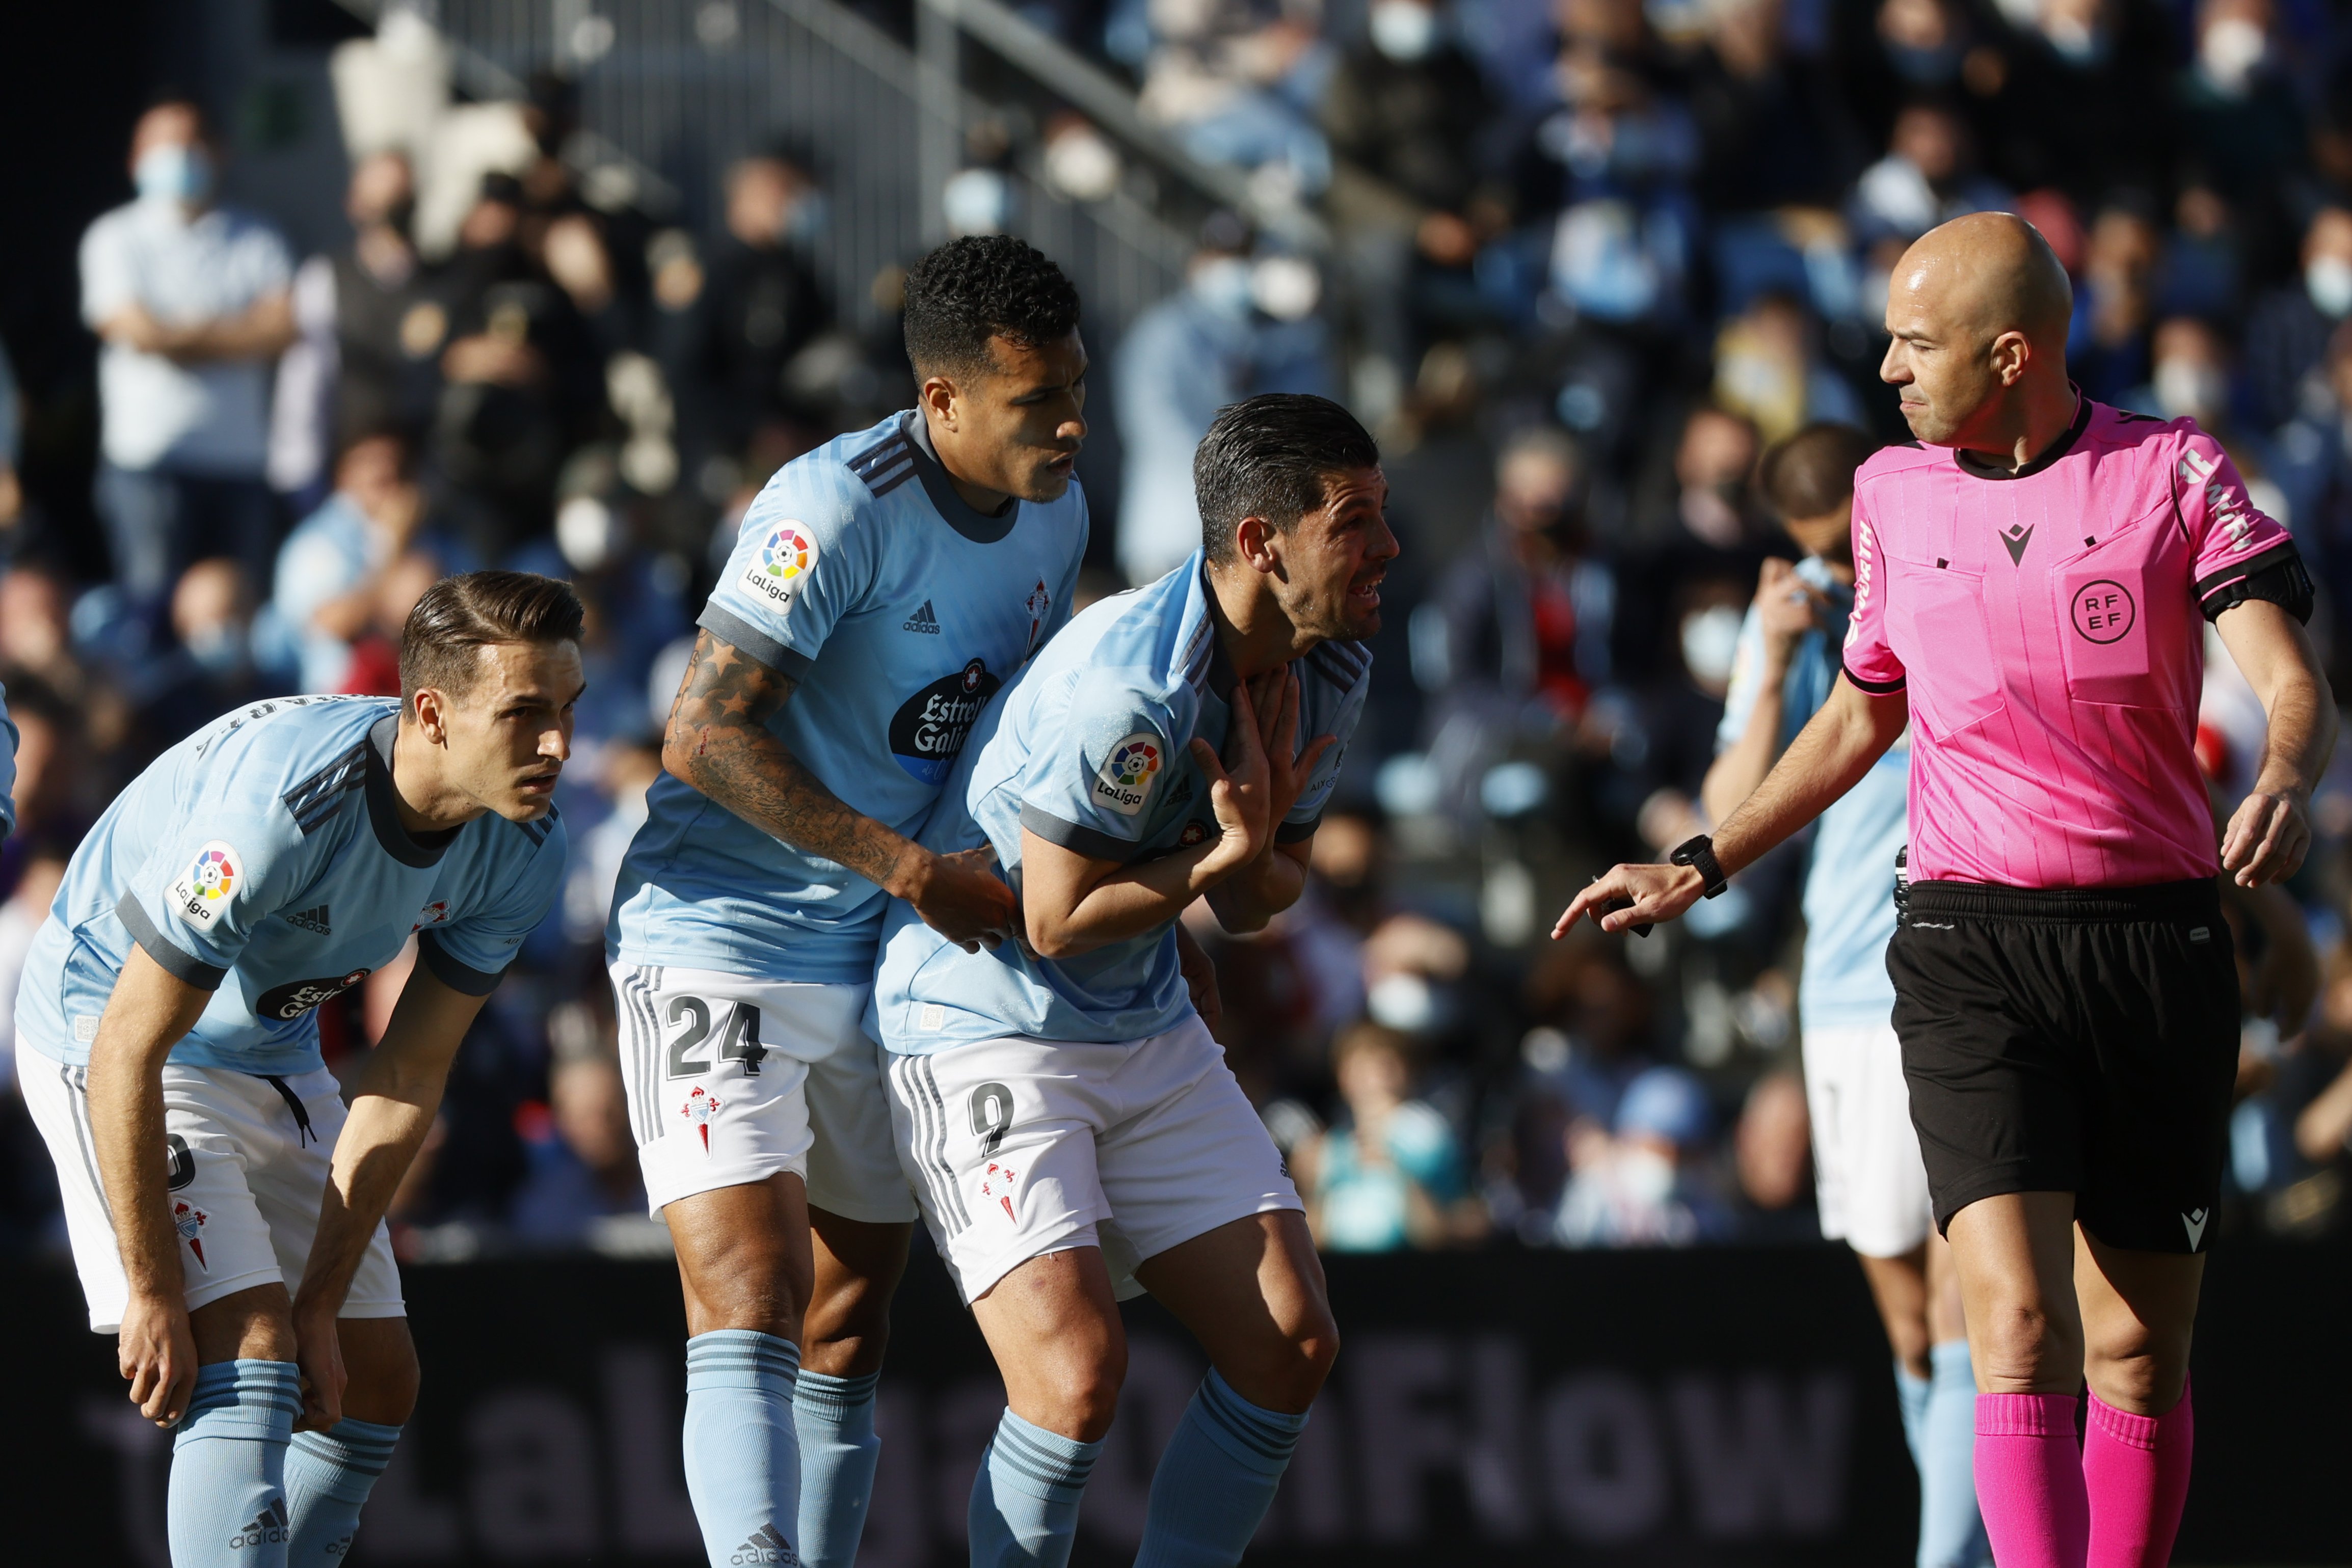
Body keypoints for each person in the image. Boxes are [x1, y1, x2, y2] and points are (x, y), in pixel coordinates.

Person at [1559, 212, 2334, 1568]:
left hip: (2155, 944)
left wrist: (2284, 767)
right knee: (2015, 1325)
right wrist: (1704, 858)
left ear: (2013, 350)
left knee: (2138, 1346)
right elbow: (1862, 715)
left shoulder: (2171, 469)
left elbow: (2287, 673)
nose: (1888, 370)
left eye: (1916, 342)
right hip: (1971, 943)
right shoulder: (1888, 493)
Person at [605, 235, 1090, 1568]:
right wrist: (904, 864)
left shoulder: (1062, 505)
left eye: (1076, 391)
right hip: (724, 929)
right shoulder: (831, 507)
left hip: (892, 951)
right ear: (940, 403)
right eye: (1033, 401)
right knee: (752, 1286)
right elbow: (700, 737)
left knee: (845, 1318)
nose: (1068, 424)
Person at [870, 391, 1392, 1568]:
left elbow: (1263, 898)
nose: (1387, 549)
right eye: (1355, 520)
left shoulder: (1333, 651)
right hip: (981, 1019)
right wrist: (1215, 854)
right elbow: (1053, 919)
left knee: (1290, 1346)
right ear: (1263, 544)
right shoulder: (1136, 688)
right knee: (1071, 1379)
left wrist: (1245, 855)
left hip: (1140, 1011)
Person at [14, 570, 580, 1567]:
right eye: (526, 713)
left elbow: (408, 1073)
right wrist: (151, 1288)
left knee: (375, 1379)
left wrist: (322, 1294)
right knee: (255, 1358)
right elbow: (127, 1047)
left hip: (269, 1049)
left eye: (569, 710)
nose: (559, 747)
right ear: (434, 714)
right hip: (107, 1027)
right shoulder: (283, 809)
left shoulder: (527, 844)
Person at [1701, 420, 1987, 1568]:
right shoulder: (1805, 617)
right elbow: (1723, 818)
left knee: (1979, 1296)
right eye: (1825, 548)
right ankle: (1970, 1538)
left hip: (1975, 969)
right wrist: (1768, 659)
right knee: (1914, 1320)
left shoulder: (1959, 569)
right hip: (1851, 1001)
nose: (1843, 563)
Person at [81, 99, 297, 607]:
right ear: (137, 159)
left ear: (220, 152)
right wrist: (232, 333)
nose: (179, 155)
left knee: (241, 608)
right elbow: (137, 333)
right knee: (149, 607)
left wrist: (180, 335)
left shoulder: (258, 239)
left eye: (191, 141)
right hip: (148, 461)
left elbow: (281, 329)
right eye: (164, 143)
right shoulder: (115, 236)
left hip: (239, 462)